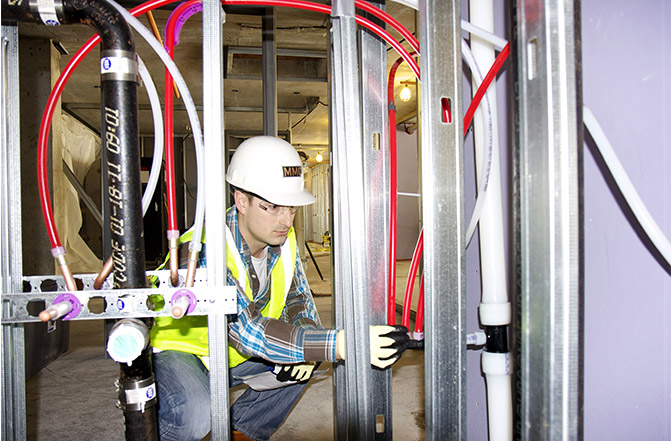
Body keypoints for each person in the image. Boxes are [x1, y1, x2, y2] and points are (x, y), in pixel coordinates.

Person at [149, 136, 410, 441]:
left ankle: (241, 432)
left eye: (292, 208)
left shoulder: (283, 240)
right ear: (241, 200)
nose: (286, 220)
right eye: (272, 207)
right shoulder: (204, 249)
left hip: (234, 355)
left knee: (308, 357)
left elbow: (298, 300)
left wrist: (308, 351)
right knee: (194, 412)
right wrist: (342, 344)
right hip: (181, 352)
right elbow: (246, 331)